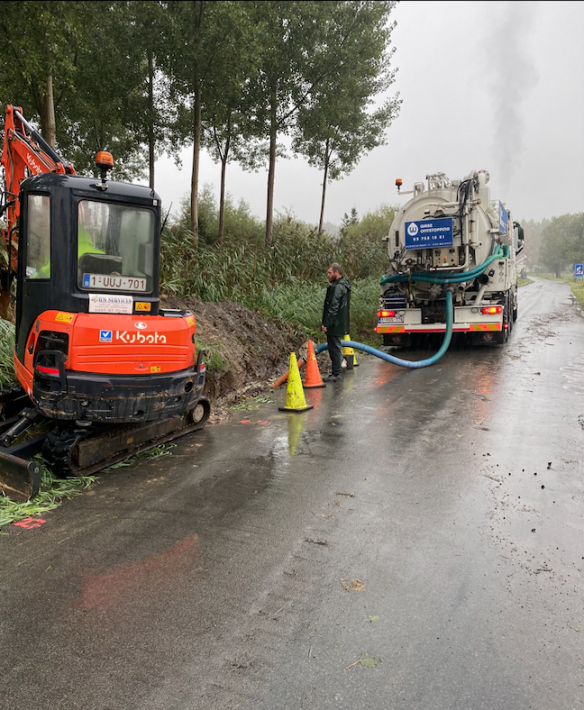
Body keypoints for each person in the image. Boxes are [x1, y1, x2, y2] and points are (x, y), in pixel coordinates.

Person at [321, 263, 351, 382]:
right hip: (337, 322)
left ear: (336, 273)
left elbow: (334, 306)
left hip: (335, 323)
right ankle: (336, 372)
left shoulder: (338, 287)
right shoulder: (342, 285)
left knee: (334, 348)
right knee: (334, 347)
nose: (328, 275)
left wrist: (327, 323)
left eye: (330, 273)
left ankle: (337, 373)